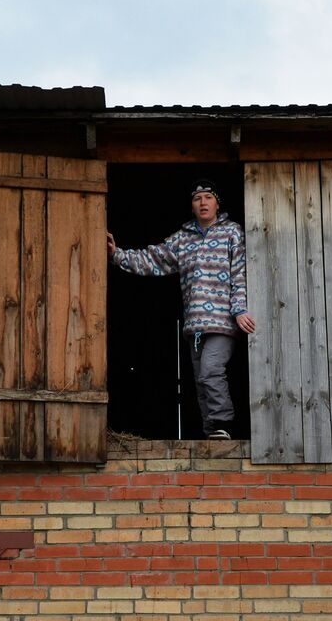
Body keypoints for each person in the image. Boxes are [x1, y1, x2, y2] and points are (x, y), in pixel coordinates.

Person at [107, 180, 255, 440]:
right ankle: (214, 433)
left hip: (222, 322)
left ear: (217, 204)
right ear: (192, 206)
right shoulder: (182, 239)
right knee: (200, 380)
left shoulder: (232, 232)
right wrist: (116, 254)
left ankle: (223, 423)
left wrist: (240, 309)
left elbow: (239, 273)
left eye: (208, 197)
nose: (203, 202)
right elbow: (152, 258)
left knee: (211, 370)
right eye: (198, 199)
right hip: (194, 324)